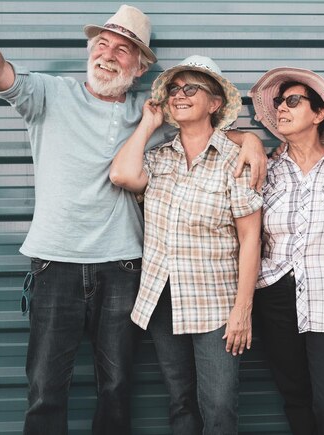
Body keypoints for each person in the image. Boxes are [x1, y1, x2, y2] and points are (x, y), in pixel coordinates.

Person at [0, 2, 266, 434]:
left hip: (123, 268)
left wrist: (248, 137)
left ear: (138, 68)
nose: (108, 54)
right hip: (54, 263)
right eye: (103, 43)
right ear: (89, 51)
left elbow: (202, 128)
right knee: (44, 389)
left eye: (122, 50)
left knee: (117, 387)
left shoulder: (150, 111)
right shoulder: (49, 94)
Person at [109, 55, 263, 434]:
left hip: (216, 305)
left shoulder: (236, 160)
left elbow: (250, 238)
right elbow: (122, 174)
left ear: (214, 103)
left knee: (219, 405)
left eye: (191, 88)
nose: (179, 95)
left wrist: (243, 310)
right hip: (164, 299)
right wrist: (148, 123)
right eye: (174, 89)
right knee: (180, 402)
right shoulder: (160, 158)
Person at [248, 67, 324, 435]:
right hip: (276, 296)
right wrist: (245, 138)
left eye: (293, 101)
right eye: (279, 102)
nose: (282, 107)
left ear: (319, 114)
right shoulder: (265, 167)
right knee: (295, 398)